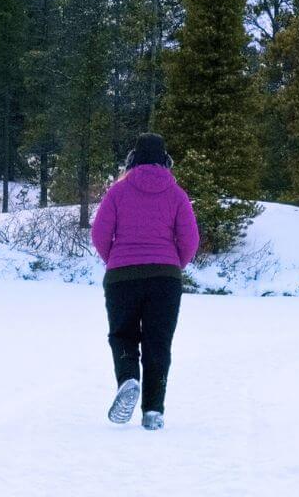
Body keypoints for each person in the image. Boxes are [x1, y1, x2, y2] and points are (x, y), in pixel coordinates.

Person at [91, 133, 199, 430]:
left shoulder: (117, 192)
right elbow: (190, 240)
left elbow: (100, 234)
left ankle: (128, 378)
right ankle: (153, 410)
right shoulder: (177, 194)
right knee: (158, 343)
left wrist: (115, 260)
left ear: (132, 158)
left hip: (122, 277)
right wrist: (174, 265)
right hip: (165, 278)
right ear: (166, 159)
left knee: (123, 334)